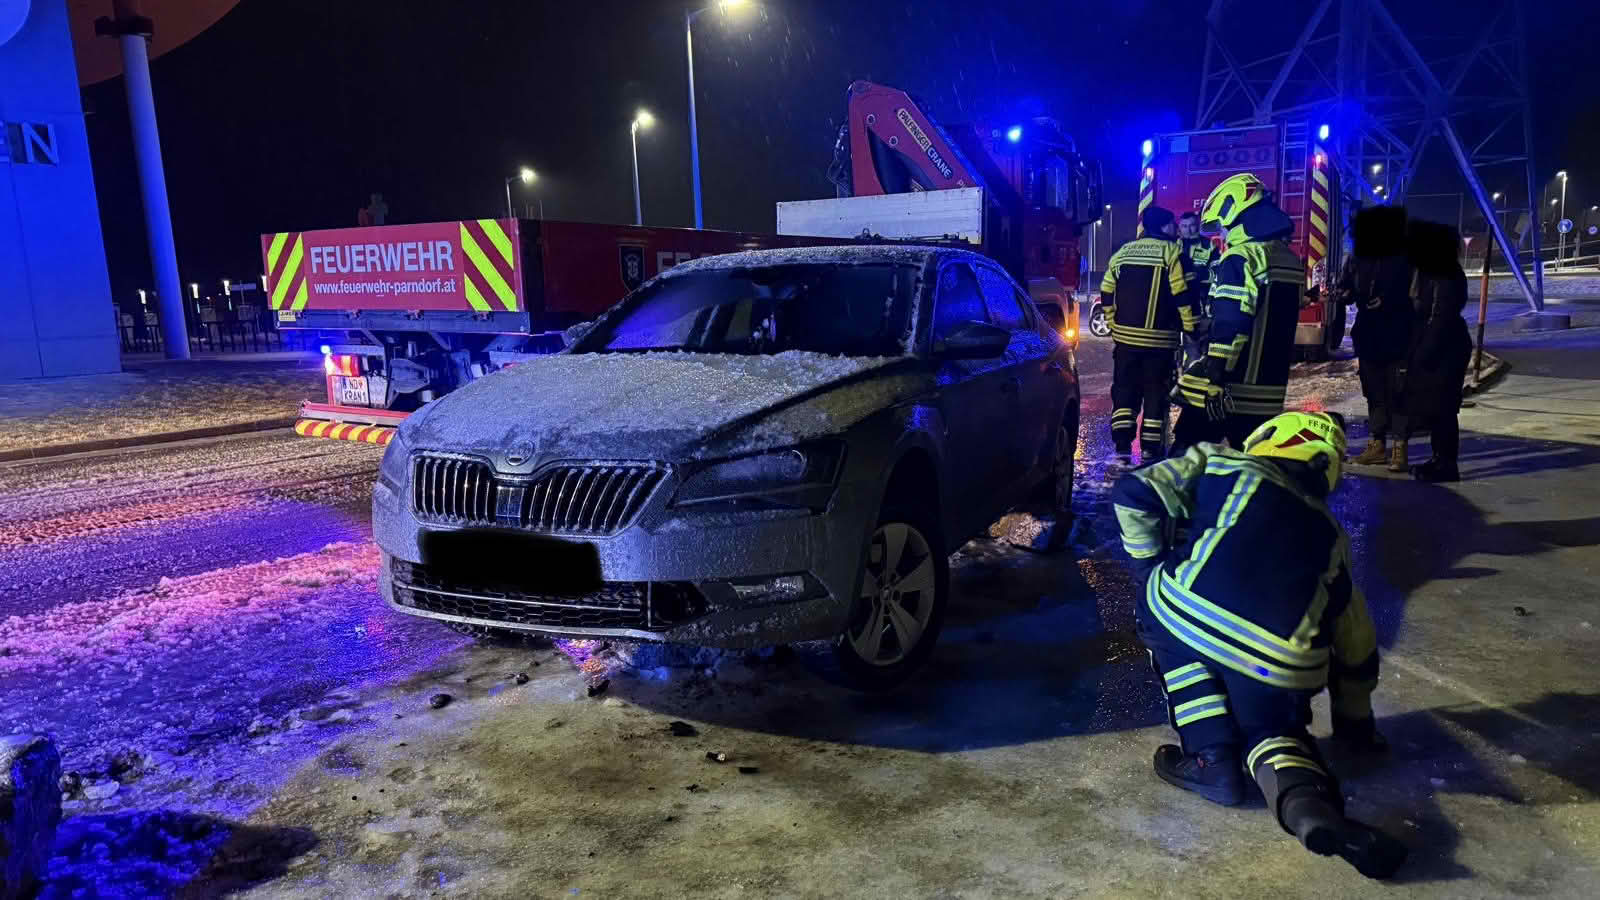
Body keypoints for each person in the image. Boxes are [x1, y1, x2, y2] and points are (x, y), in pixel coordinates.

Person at [1112, 410, 1408, 879]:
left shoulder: (1220, 463)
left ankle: (1211, 758)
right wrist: (1355, 725)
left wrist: (1150, 568)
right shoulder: (1333, 537)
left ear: (1268, 440)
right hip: (1282, 662)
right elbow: (1357, 645)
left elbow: (1134, 492)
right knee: (1273, 732)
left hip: (1191, 616)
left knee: (1174, 628)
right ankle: (1304, 803)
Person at [1172, 174, 1304, 453]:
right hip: (1270, 389)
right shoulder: (1289, 259)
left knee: (1184, 460)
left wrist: (1215, 375)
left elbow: (1232, 322)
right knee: (1252, 469)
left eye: (1222, 225)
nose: (1222, 232)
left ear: (1233, 213)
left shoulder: (1240, 257)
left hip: (1233, 389)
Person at [1100, 206, 1202, 463]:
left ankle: (1122, 447)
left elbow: (1106, 292)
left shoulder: (1122, 253)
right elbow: (1184, 296)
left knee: (1124, 391)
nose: (1176, 229)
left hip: (1125, 341)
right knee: (1155, 393)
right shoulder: (1173, 253)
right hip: (1160, 342)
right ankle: (1150, 450)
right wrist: (1191, 330)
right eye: (1172, 225)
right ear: (1163, 227)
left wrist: (1114, 325)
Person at [1340, 206, 1415, 470]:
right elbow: (1347, 286)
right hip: (1369, 333)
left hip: (1398, 332)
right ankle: (1377, 444)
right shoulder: (1358, 256)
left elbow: (1415, 292)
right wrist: (1341, 294)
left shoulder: (1406, 256)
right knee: (1374, 390)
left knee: (1399, 391)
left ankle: (1399, 448)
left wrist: (1389, 300)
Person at [1402, 221, 1474, 482]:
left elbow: (1440, 315)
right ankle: (1439, 459)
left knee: (1443, 407)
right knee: (1436, 407)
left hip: (1446, 348)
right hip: (1439, 344)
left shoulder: (1445, 273)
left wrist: (1424, 353)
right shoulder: (1430, 271)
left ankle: (1446, 464)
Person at [1177, 211, 1218, 368]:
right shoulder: (1174, 246)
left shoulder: (1209, 246)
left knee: (1196, 349)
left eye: (1192, 225)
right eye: (1184, 226)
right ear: (1180, 228)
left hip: (1199, 305)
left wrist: (1195, 274)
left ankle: (1192, 378)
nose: (1189, 230)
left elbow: (1216, 273)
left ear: (1198, 226)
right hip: (1177, 304)